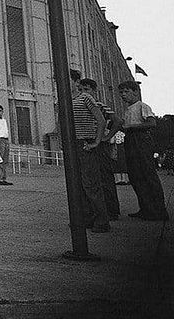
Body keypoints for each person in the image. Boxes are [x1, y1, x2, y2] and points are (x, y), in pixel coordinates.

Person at [118, 80, 168, 221]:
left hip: (141, 140)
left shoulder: (142, 106)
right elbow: (124, 126)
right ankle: (145, 208)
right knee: (135, 176)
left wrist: (132, 127)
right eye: (121, 92)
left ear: (135, 91)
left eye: (126, 91)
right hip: (130, 141)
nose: (123, 95)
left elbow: (152, 123)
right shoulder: (127, 110)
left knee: (147, 174)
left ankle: (159, 210)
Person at [78, 79, 121, 220]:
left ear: (94, 91)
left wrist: (106, 136)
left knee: (104, 177)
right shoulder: (82, 103)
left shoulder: (99, 105)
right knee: (92, 179)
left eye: (87, 89)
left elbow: (117, 121)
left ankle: (111, 210)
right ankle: (96, 211)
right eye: (81, 90)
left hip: (99, 144)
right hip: (90, 141)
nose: (84, 92)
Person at [72, 77, 109, 232]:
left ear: (75, 82)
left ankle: (102, 220)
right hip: (73, 145)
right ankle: (87, 217)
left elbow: (100, 120)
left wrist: (97, 141)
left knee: (90, 184)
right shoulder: (67, 99)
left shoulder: (85, 98)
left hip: (86, 143)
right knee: (78, 184)